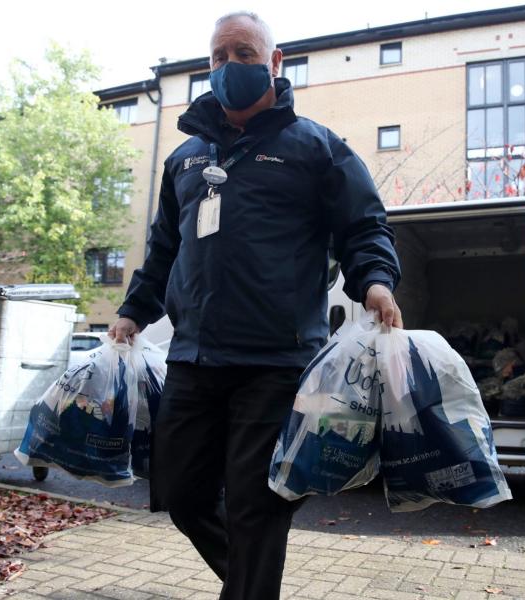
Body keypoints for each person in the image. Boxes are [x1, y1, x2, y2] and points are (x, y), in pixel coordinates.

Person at [109, 11, 402, 600]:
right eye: (218, 57)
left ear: (274, 62)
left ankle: (249, 586)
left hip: (277, 360)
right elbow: (165, 247)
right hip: (194, 357)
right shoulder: (184, 159)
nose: (228, 67)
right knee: (181, 494)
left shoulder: (317, 148)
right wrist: (132, 311)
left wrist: (374, 281)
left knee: (256, 504)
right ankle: (250, 580)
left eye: (244, 54)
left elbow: (363, 227)